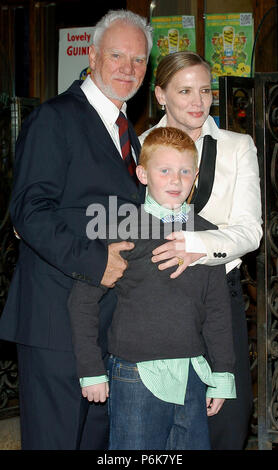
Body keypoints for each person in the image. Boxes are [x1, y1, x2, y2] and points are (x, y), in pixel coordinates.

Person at [0, 9, 153, 450]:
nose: (128, 68)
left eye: (138, 60)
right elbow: (29, 210)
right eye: (117, 55)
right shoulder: (56, 118)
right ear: (91, 56)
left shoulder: (130, 134)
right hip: (55, 323)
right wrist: (95, 260)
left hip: (108, 327)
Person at [68, 126, 236, 451]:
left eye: (185, 171)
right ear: (143, 174)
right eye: (165, 170)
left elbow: (217, 310)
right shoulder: (121, 228)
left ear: (196, 176)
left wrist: (223, 374)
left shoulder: (206, 234)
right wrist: (90, 370)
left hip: (193, 374)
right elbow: (82, 300)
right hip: (135, 376)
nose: (176, 180)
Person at [139, 51, 262, 450]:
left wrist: (195, 246)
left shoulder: (237, 146)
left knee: (227, 417)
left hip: (217, 295)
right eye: (185, 90)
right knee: (156, 424)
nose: (198, 101)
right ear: (160, 95)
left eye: (205, 90)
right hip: (152, 297)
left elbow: (250, 231)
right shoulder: (137, 146)